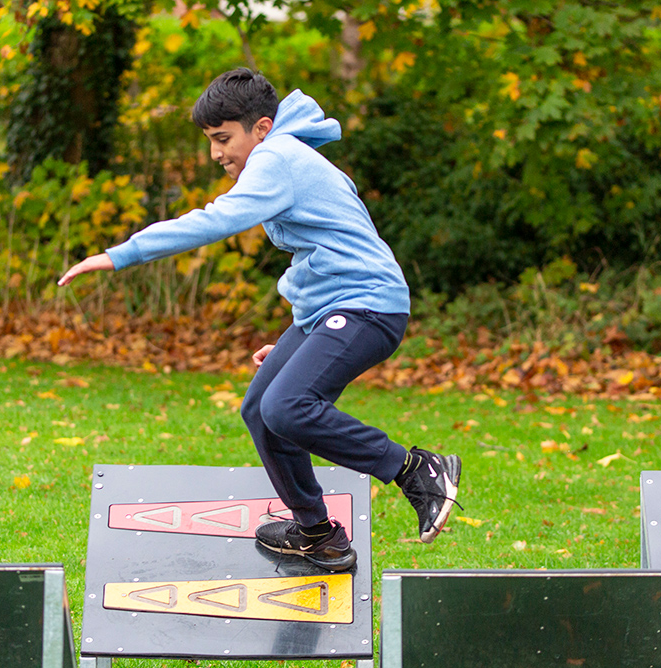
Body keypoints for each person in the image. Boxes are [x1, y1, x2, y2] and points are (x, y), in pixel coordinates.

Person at [57, 68, 460, 572]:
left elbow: (217, 219)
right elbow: (328, 249)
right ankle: (317, 533)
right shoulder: (289, 157)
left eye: (223, 139)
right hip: (332, 310)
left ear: (262, 128)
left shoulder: (277, 157)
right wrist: (297, 343)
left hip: (368, 305)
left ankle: (415, 469)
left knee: (288, 407)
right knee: (261, 410)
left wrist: (122, 254)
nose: (216, 154)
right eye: (209, 141)